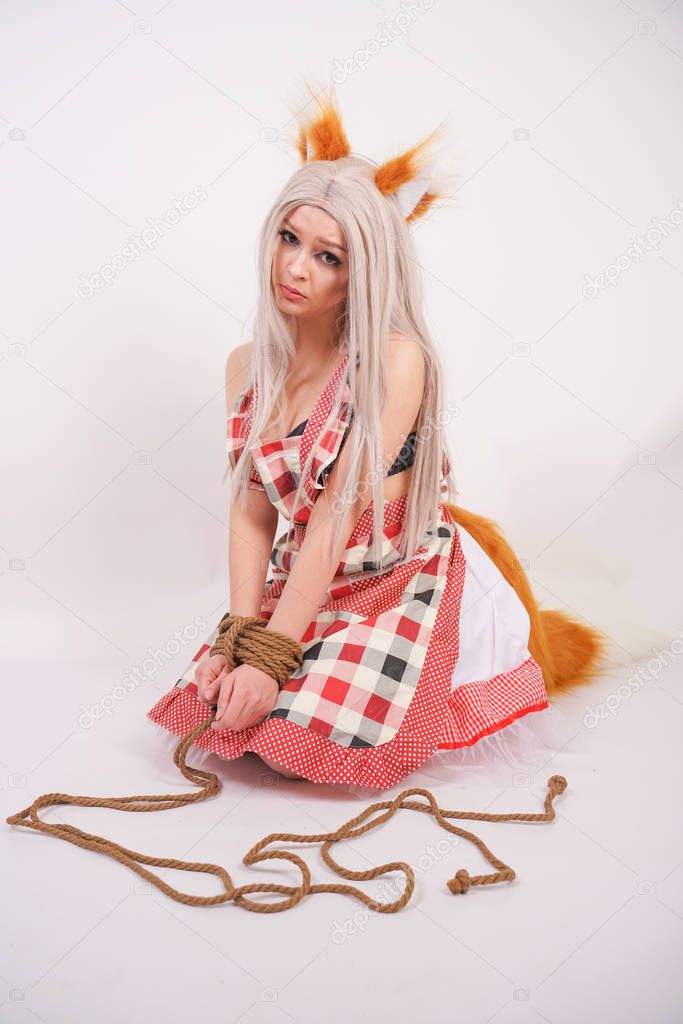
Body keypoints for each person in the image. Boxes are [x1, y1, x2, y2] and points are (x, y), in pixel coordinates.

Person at [146, 84, 605, 789]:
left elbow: (336, 512)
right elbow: (252, 512)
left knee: (297, 747)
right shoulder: (245, 366)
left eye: (329, 256)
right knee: (225, 722)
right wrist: (240, 640)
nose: (295, 268)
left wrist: (270, 662)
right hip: (309, 579)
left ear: (366, 268)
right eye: (289, 239)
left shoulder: (393, 361)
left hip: (392, 574)